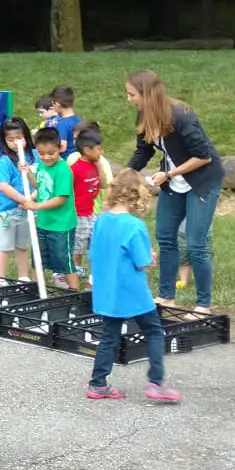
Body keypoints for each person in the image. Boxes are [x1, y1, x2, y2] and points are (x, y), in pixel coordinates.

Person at [125, 70, 225, 313]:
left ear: (147, 94)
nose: (129, 99)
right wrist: (126, 173)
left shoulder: (181, 115)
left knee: (195, 244)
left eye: (132, 94)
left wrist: (169, 174)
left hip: (202, 181)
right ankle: (166, 297)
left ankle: (203, 305)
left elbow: (203, 156)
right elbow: (144, 151)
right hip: (174, 182)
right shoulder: (144, 114)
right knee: (166, 236)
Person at [87, 169, 182, 403]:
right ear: (138, 195)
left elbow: (93, 253)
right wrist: (152, 257)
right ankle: (157, 382)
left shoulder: (101, 221)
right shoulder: (134, 226)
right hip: (133, 292)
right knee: (154, 331)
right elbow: (142, 263)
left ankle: (98, 383)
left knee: (109, 335)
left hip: (107, 290)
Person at [24, 126, 78, 290]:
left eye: (51, 153)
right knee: (37, 259)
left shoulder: (63, 171)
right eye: (41, 153)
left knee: (64, 261)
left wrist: (35, 206)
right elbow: (42, 188)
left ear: (60, 148)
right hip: (43, 223)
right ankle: (35, 291)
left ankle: (75, 293)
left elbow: (60, 199)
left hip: (61, 225)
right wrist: (29, 174)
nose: (46, 157)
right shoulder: (42, 166)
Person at [0, 117, 35, 281]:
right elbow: (3, 186)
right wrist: (23, 200)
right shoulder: (5, 161)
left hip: (28, 209)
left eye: (19, 138)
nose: (15, 142)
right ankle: (0, 279)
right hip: (8, 211)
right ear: (4, 141)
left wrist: (30, 199)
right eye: (10, 139)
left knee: (22, 245)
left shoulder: (35, 157)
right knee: (5, 246)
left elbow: (42, 182)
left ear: (26, 137)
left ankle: (23, 277)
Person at [70, 128, 108, 277]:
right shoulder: (75, 169)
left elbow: (104, 184)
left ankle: (94, 275)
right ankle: (76, 271)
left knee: (95, 245)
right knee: (78, 247)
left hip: (91, 213)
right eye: (99, 149)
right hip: (78, 215)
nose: (102, 152)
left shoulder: (95, 166)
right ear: (87, 150)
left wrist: (99, 166)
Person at [50, 85, 81, 154]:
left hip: (66, 161)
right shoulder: (79, 120)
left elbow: (62, 147)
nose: (53, 107)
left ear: (57, 104)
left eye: (53, 104)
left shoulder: (62, 124)